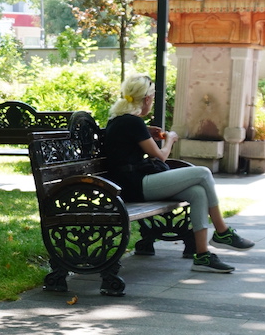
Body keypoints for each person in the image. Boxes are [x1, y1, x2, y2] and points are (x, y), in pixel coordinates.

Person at [100, 73, 254, 275]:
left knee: (197, 192)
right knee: (203, 173)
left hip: (129, 184)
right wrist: (170, 138)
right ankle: (222, 232)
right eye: (153, 97)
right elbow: (161, 156)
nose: (152, 101)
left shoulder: (120, 120)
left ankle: (203, 256)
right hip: (134, 185)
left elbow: (127, 141)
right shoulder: (132, 123)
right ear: (146, 99)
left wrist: (146, 130)